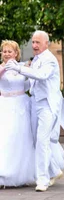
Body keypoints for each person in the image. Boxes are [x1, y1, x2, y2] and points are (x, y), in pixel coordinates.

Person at [4, 32, 64, 192]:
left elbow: (42, 75)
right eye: (33, 42)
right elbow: (30, 83)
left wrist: (19, 68)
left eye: (38, 42)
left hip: (47, 105)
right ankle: (53, 170)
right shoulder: (36, 60)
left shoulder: (49, 60)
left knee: (42, 140)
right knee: (35, 140)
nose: (34, 45)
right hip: (34, 103)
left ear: (46, 43)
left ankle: (42, 180)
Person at [0, 40, 37, 187]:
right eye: (4, 51)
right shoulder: (1, 67)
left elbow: (26, 84)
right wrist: (4, 69)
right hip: (6, 104)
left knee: (21, 137)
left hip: (21, 104)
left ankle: (18, 174)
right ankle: (3, 172)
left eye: (10, 51)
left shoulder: (21, 67)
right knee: (6, 136)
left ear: (16, 53)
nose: (7, 54)